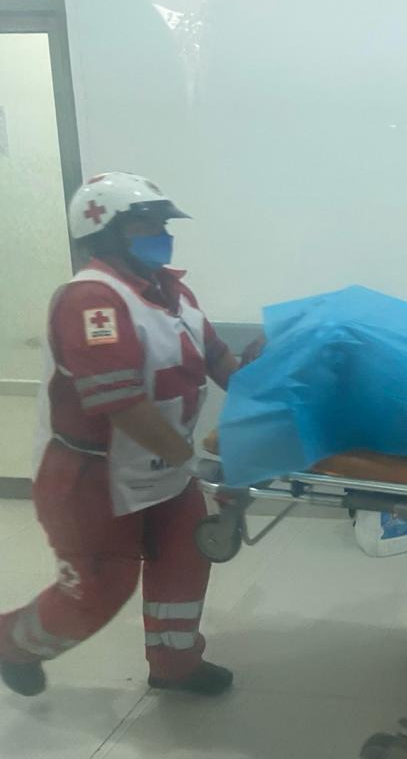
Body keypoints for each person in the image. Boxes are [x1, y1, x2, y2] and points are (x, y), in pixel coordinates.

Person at [0, 172, 240, 698]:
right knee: (98, 591)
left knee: (184, 564)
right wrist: (190, 459)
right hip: (92, 478)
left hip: (166, 467)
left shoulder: (174, 291)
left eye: (163, 225)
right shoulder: (91, 301)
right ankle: (11, 645)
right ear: (105, 232)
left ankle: (175, 665)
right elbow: (121, 403)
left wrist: (271, 386)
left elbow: (219, 359)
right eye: (146, 225)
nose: (162, 234)